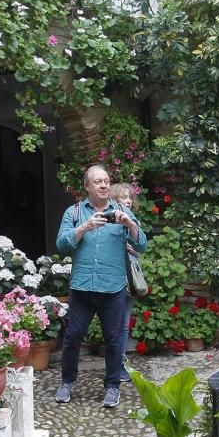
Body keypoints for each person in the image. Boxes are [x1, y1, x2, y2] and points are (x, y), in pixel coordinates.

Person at [54, 165, 146, 408]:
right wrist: (84, 228)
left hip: (113, 288)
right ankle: (67, 382)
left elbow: (143, 243)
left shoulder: (122, 210)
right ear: (87, 186)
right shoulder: (74, 212)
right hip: (82, 288)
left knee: (114, 340)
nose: (104, 185)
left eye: (106, 181)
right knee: (73, 337)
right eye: (98, 181)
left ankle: (113, 386)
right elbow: (62, 244)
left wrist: (130, 225)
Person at [109, 182, 137, 384]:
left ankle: (120, 364)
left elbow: (139, 244)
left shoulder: (131, 220)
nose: (128, 201)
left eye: (130, 197)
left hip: (128, 279)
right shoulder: (112, 220)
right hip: (114, 280)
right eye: (123, 197)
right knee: (117, 326)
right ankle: (116, 366)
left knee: (124, 325)